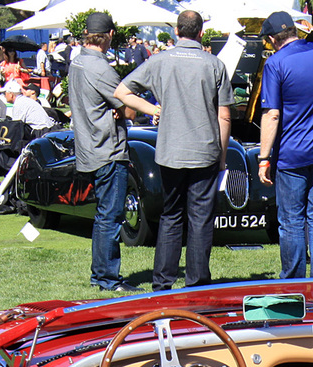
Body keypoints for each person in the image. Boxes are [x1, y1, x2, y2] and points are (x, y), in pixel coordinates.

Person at [120, 10, 232, 291]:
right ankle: (197, 283)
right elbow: (225, 116)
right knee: (200, 218)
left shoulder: (159, 60)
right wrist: (222, 157)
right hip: (204, 151)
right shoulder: (214, 64)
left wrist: (153, 108)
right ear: (201, 33)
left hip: (170, 150)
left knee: (171, 215)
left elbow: (122, 91)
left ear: (177, 32)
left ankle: (163, 282)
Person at [258, 11, 313, 279]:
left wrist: (263, 157)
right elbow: (312, 36)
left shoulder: (274, 64)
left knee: (291, 221)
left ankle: (292, 280)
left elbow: (272, 114)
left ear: (271, 39)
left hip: (293, 151)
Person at [69, 12, 134, 292]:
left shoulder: (77, 62)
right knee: (111, 217)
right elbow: (128, 107)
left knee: (103, 216)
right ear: (108, 35)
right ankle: (108, 278)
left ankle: (100, 275)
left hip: (88, 146)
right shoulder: (101, 68)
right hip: (108, 149)